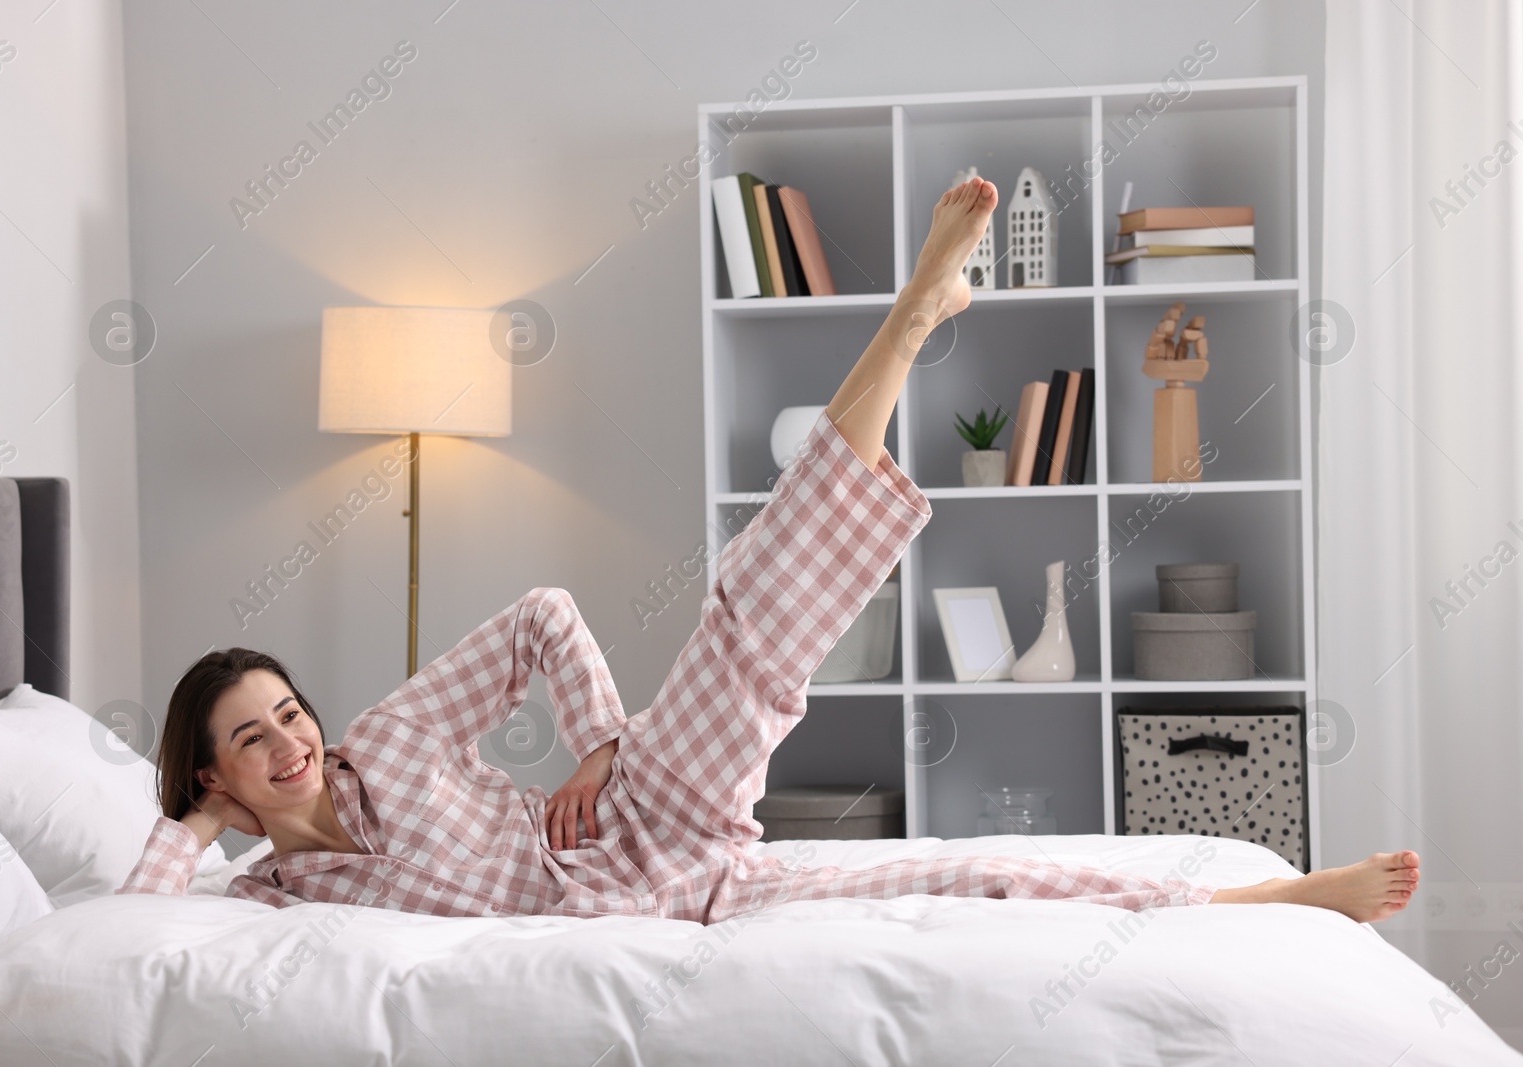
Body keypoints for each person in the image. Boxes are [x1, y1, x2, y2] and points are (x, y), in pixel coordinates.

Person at [120, 174, 1421, 926]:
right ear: (215, 780)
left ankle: (910, 324)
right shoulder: (263, 908)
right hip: (639, 912)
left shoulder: (389, 738)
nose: (293, 739)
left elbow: (540, 613)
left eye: (287, 709)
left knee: (746, 627)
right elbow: (129, 926)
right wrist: (188, 819)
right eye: (252, 737)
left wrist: (601, 739)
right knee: (955, 881)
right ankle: (1268, 907)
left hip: (629, 819)